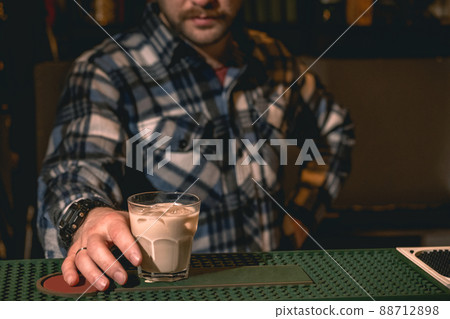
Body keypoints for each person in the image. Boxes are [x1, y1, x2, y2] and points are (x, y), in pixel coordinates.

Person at [37, 0, 354, 291]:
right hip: (167, 296)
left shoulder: (274, 59)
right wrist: (86, 217)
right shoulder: (106, 71)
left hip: (270, 288)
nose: (204, 1)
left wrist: (302, 214)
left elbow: (335, 132)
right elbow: (76, 165)